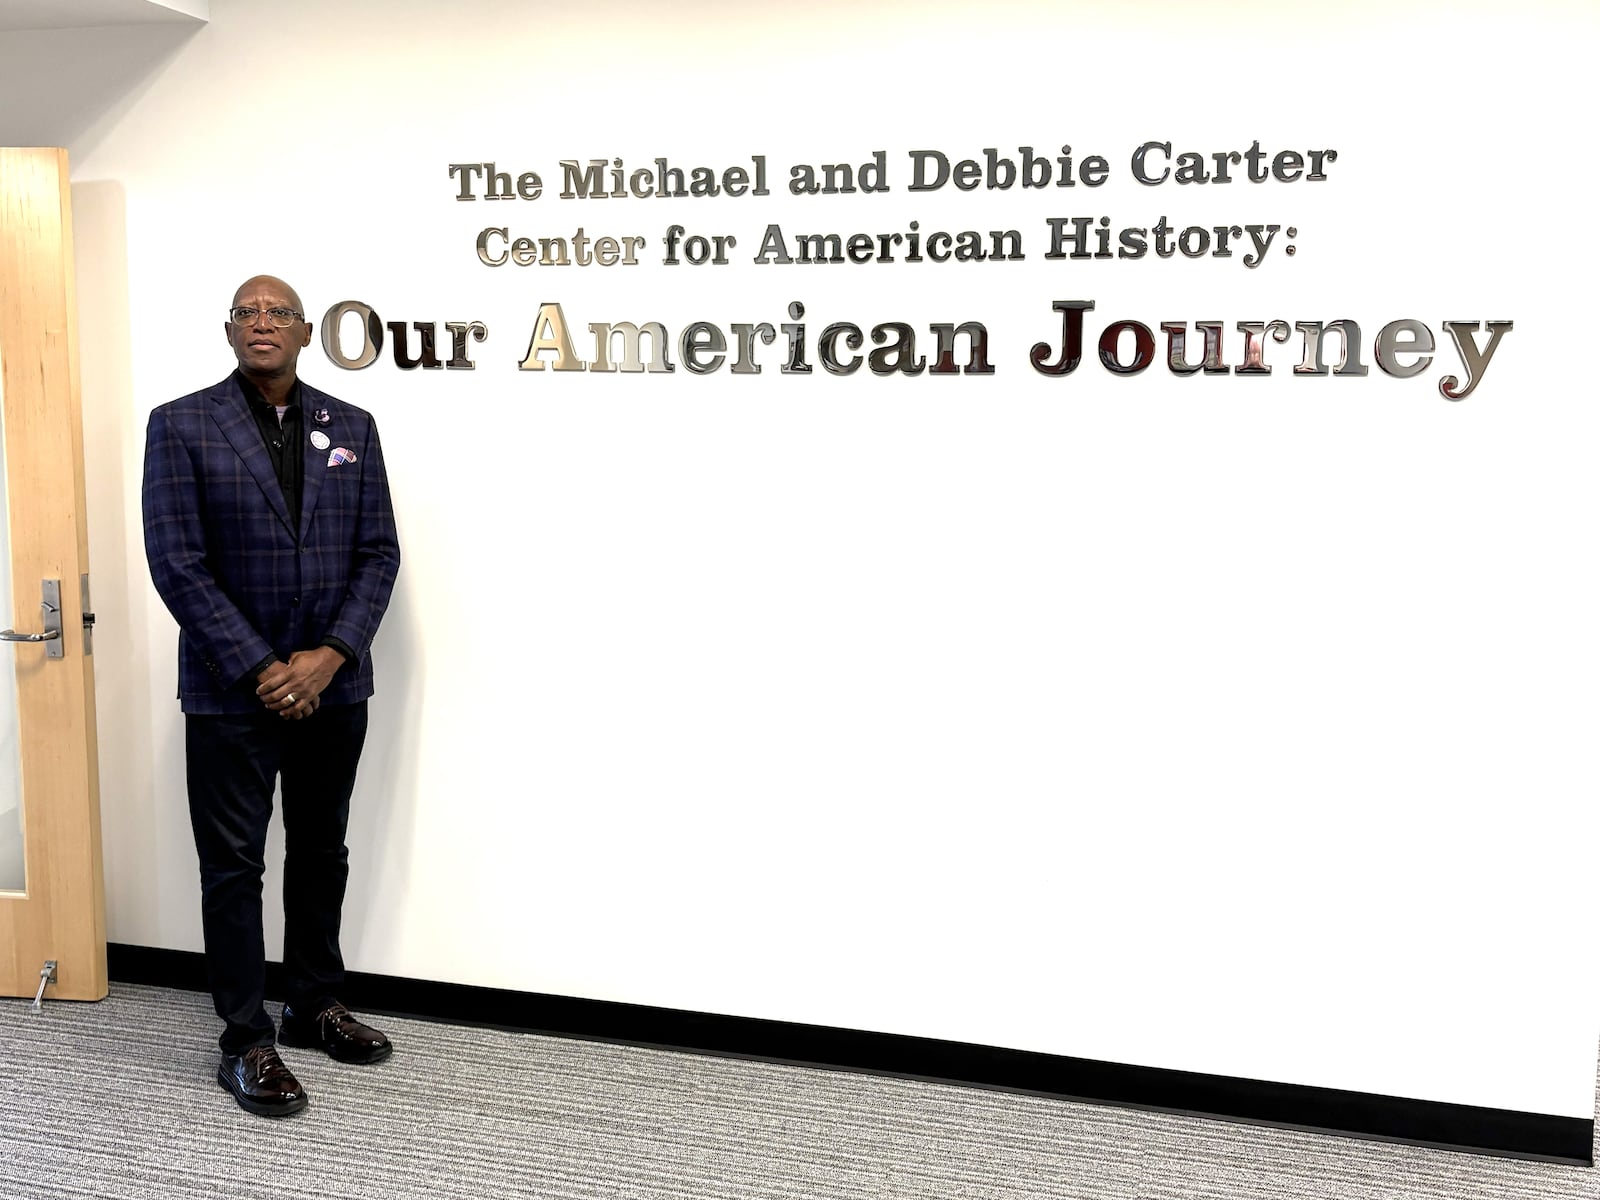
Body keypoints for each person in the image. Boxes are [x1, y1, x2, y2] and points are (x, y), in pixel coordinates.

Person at [141, 275, 401, 1117]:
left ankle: (313, 1004)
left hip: (336, 687)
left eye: (278, 313)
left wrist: (327, 658)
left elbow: (377, 554)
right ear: (228, 332)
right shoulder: (180, 425)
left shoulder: (351, 428)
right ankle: (246, 1036)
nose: (263, 324)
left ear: (304, 333)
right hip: (229, 692)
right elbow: (177, 563)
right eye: (248, 313)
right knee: (234, 868)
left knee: (322, 850)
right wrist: (264, 668)